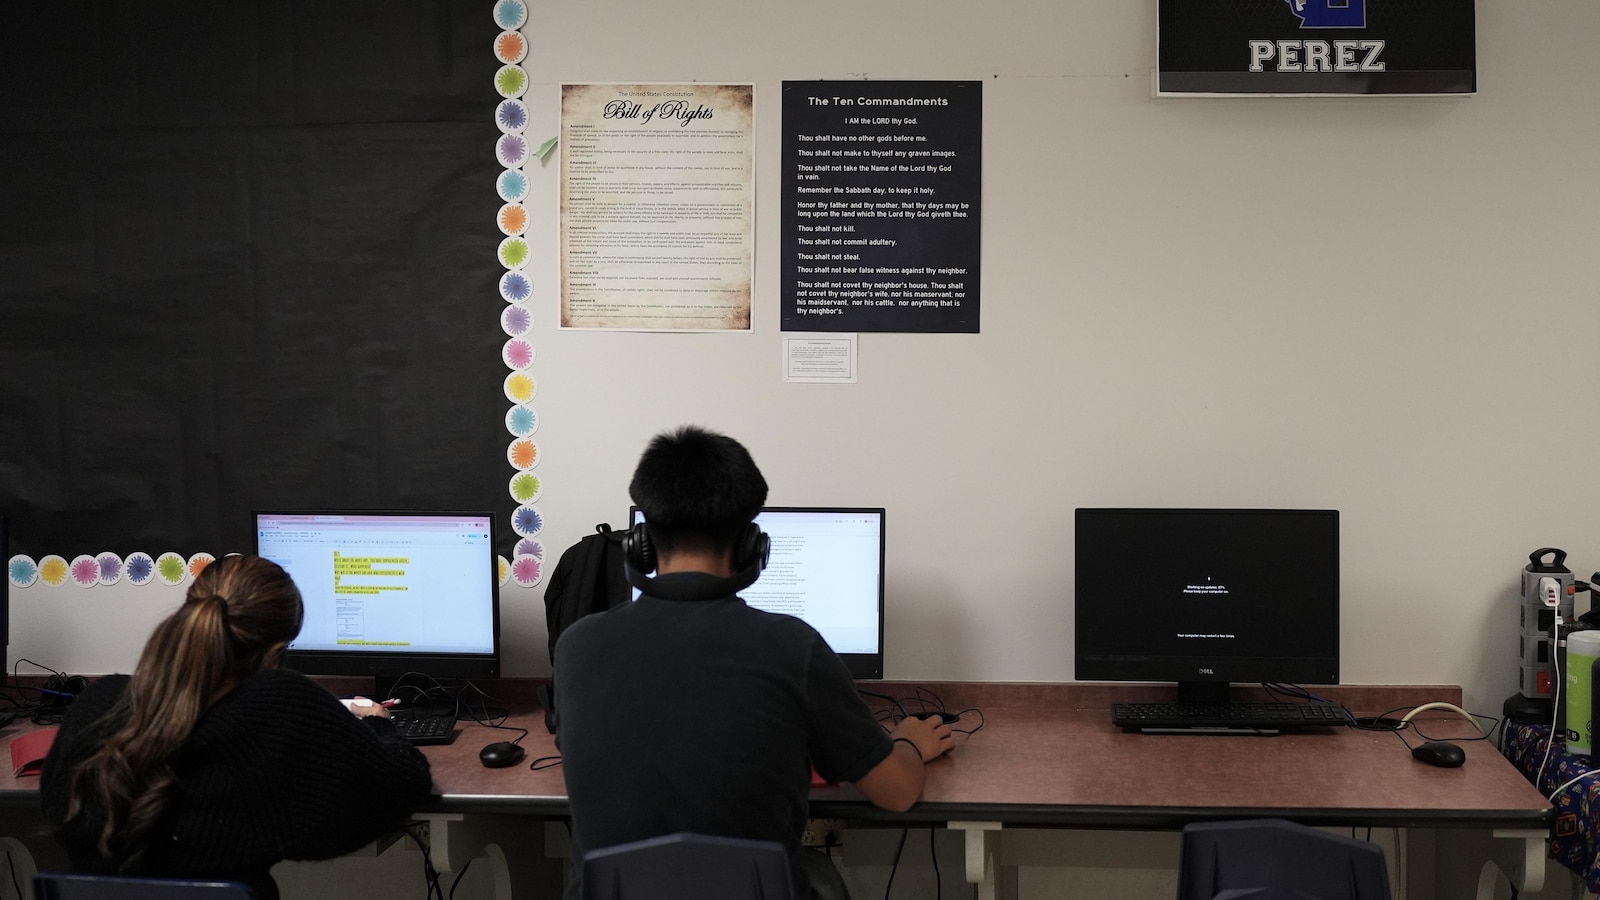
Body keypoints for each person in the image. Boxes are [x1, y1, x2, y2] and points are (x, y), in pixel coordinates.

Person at [553, 426, 954, 900]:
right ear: (753, 546)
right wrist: (908, 743)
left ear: (640, 542)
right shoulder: (792, 647)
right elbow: (897, 792)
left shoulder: (577, 646)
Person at [41, 554, 433, 900]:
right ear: (278, 649)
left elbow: (56, 808)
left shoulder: (98, 703)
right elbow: (401, 784)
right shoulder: (277, 706)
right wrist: (379, 725)